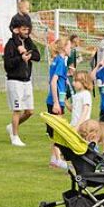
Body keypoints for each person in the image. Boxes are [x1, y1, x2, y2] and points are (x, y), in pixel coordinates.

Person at [3, 14, 41, 147]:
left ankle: (12, 127)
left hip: (27, 81)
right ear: (16, 29)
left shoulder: (28, 42)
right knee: (17, 110)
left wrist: (29, 55)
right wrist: (20, 58)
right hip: (15, 81)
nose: (27, 32)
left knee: (30, 111)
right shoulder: (10, 44)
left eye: (28, 29)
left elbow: (37, 56)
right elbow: (8, 65)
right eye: (24, 29)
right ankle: (15, 137)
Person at [45, 36, 72, 168]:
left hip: (55, 101)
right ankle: (58, 159)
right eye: (69, 46)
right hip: (54, 102)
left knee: (56, 130)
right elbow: (54, 81)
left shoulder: (57, 61)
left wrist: (65, 103)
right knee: (58, 132)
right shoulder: (60, 62)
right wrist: (56, 103)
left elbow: (60, 86)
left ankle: (53, 160)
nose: (71, 49)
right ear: (64, 48)